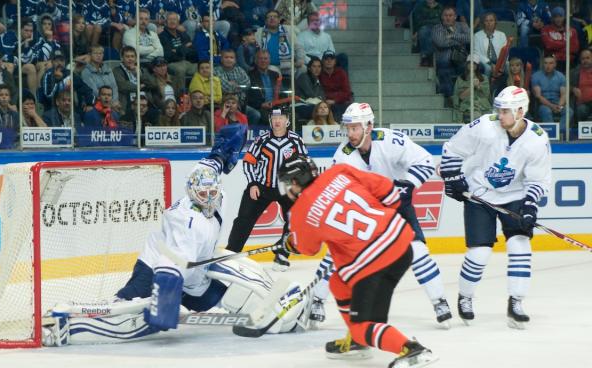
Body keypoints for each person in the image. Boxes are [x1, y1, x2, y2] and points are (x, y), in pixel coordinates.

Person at [42, 129, 312, 345]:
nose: (209, 198)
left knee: (228, 282)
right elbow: (170, 267)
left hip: (195, 273)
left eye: (212, 193)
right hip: (157, 269)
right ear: (192, 193)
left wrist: (225, 148)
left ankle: (279, 307)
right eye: (203, 194)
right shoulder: (188, 221)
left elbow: (213, 163)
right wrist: (165, 303)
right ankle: (70, 320)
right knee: (134, 314)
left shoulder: (212, 189)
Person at [277, 155, 438, 368]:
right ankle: (359, 337)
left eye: (288, 183)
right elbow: (389, 192)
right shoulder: (339, 172)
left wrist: (289, 243)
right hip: (401, 243)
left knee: (363, 327)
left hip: (373, 265)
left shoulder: (300, 212)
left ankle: (411, 349)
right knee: (338, 281)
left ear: (295, 182)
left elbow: (307, 248)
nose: (288, 189)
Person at [309, 102, 450, 327]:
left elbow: (424, 161)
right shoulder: (343, 155)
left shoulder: (391, 141)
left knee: (418, 251)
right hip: (364, 212)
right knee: (335, 253)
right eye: (348, 128)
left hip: (397, 207)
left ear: (369, 126)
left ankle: (439, 301)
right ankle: (316, 300)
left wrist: (408, 185)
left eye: (355, 128)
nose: (350, 133)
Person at [439, 86, 551, 329]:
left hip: (514, 196)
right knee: (479, 253)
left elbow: (538, 180)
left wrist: (530, 205)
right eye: (498, 110)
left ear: (521, 111)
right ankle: (465, 297)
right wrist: (452, 177)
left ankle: (516, 302)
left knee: (520, 244)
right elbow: (452, 149)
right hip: (479, 194)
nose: (499, 115)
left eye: (505, 111)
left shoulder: (537, 139)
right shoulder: (483, 126)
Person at [225, 106, 308, 271]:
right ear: (270, 120)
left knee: (296, 220)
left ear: (287, 120)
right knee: (243, 221)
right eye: (274, 118)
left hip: (286, 188)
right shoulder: (261, 140)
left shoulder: (296, 140)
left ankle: (282, 253)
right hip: (261, 187)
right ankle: (231, 255)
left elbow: (304, 164)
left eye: (281, 118)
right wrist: (252, 183)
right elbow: (249, 161)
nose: (277, 121)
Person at [432, 6, 470, 108]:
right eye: (445, 15)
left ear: (455, 16)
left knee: (473, 69)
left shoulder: (462, 25)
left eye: (450, 15)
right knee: (443, 70)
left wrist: (452, 36)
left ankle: (466, 101)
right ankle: (450, 99)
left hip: (461, 60)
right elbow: (441, 43)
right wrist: (458, 40)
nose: (448, 18)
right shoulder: (437, 28)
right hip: (444, 61)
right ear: (442, 17)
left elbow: (469, 38)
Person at [531, 55, 573, 134]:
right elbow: (538, 96)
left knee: (569, 111)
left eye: (551, 63)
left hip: (558, 102)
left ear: (555, 64)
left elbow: (564, 94)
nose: (548, 66)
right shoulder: (536, 76)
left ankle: (560, 132)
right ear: (542, 64)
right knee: (546, 111)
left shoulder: (561, 76)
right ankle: (552, 133)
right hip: (543, 104)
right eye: (546, 63)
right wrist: (552, 106)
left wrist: (559, 106)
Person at [452, 55, 492, 123]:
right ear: (466, 64)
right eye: (469, 63)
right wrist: (472, 86)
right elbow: (459, 98)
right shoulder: (460, 79)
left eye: (474, 63)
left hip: (482, 107)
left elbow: (487, 95)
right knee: (476, 116)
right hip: (467, 107)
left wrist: (479, 86)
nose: (471, 65)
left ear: (477, 65)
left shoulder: (484, 78)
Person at [541, 7, 580, 73]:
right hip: (553, 61)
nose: (558, 19)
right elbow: (549, 45)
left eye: (560, 16)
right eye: (556, 17)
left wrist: (556, 45)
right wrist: (567, 43)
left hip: (570, 61)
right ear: (552, 18)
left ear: (564, 17)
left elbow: (575, 48)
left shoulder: (572, 31)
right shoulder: (545, 29)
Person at [473, 12, 508, 78]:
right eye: (486, 21)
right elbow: (476, 53)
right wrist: (490, 64)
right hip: (485, 61)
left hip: (499, 61)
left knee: (508, 65)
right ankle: (487, 87)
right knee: (488, 68)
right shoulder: (477, 36)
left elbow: (506, 52)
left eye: (491, 20)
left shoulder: (502, 35)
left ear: (495, 22)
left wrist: (500, 65)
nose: (489, 23)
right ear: (483, 22)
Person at [571, 48, 592, 122]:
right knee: (581, 110)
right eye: (583, 58)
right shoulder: (574, 72)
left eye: (588, 58)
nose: (585, 61)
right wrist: (573, 89)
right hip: (583, 103)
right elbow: (567, 85)